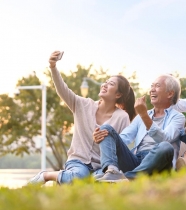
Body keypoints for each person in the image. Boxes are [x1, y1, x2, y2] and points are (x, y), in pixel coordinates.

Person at [28, 51, 136, 185]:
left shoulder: (122, 117)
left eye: (111, 84)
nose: (104, 85)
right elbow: (63, 90)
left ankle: (68, 179)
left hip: (101, 167)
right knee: (79, 176)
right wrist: (53, 66)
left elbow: (121, 148)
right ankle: (46, 175)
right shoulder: (83, 105)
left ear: (118, 94)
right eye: (105, 82)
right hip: (78, 162)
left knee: (99, 181)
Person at [92, 74, 186, 182]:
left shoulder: (178, 117)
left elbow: (165, 139)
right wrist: (106, 137)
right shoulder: (140, 117)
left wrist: (144, 116)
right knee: (106, 128)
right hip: (136, 160)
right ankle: (112, 171)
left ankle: (127, 177)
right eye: (152, 86)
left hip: (159, 161)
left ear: (170, 93)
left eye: (157, 86)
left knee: (165, 146)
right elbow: (124, 137)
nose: (152, 90)